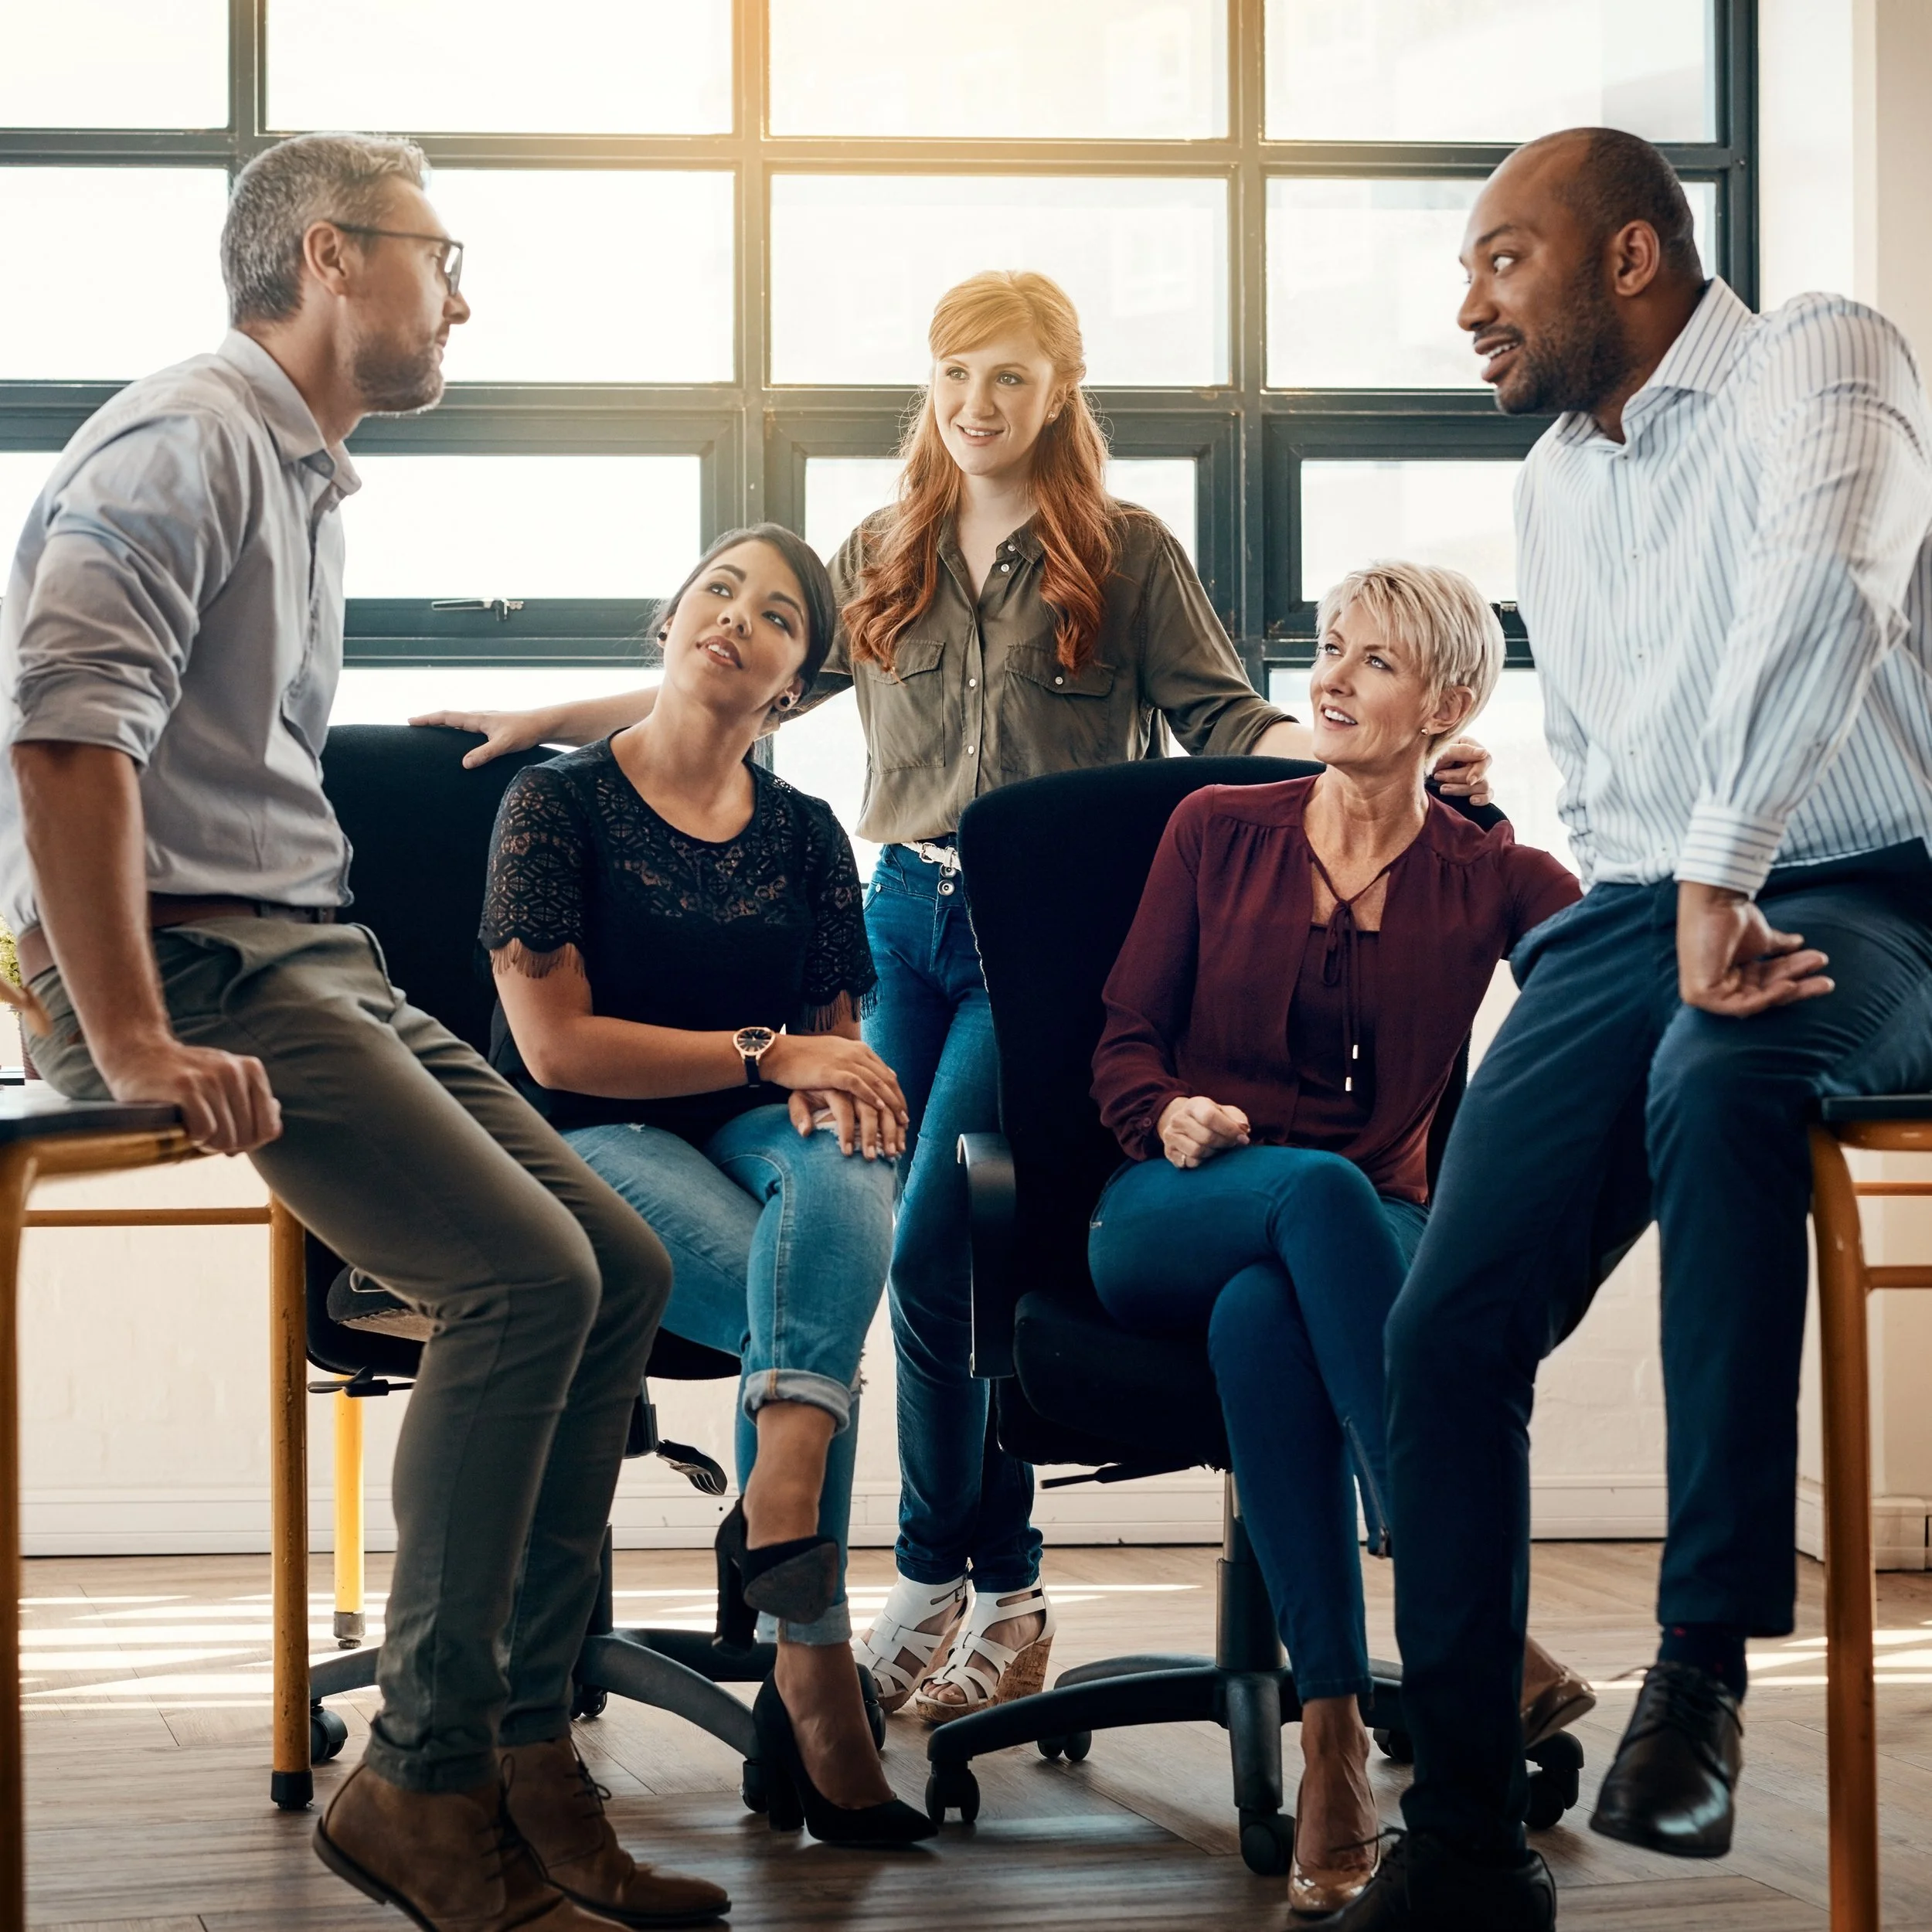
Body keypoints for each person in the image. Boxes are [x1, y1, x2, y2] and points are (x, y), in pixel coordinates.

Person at [416, 270, 1498, 1726]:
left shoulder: (1122, 555)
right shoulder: (886, 546)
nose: (976, 407)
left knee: (935, 1254)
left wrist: (1376, 753)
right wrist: (549, 721)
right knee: (886, 1228)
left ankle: (952, 1576)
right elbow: (738, 690)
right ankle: (993, 1591)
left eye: (1008, 380)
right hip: (898, 926)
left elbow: (1225, 722)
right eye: (952, 379)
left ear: (1059, 393)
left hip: (1033, 953)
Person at [0, 134, 728, 1932]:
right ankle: (422, 1773)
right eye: (442, 255)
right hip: (200, 976)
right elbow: (61, 732)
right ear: (332, 255)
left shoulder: (296, 471)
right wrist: (134, 1035)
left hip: (313, 954)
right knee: (523, 1284)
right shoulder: (187, 439)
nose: (461, 297)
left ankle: (530, 1756)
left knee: (619, 1263)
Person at [1330, 130, 1932, 1932]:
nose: (1465, 305)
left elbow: (1824, 588)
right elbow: (1598, 763)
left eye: (1500, 261)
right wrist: (1658, 889)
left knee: (1725, 1065)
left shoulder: (1816, 353)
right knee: (1441, 1321)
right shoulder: (1550, 487)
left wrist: (1726, 868)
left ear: (1628, 257)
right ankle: (1457, 1841)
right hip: (1645, 895)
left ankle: (1698, 1662)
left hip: (1866, 880)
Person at [1088, 562, 1585, 1918]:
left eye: (1374, 662)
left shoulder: (1495, 874)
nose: (1332, 680)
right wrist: (1168, 1109)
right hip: (1168, 1209)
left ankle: (1329, 1747)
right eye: (1330, 652)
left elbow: (1604, 978)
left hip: (1352, 1236)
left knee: (1270, 1313)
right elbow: (1123, 1039)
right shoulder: (1216, 827)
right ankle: (1459, 1607)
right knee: (1307, 1198)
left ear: (1453, 701)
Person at [479, 522, 931, 1846]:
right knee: (820, 1307)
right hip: (578, 1135)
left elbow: (831, 1054)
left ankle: (777, 1502)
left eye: (780, 615)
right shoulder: (553, 806)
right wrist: (764, 1051)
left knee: (853, 1149)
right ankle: (813, 1671)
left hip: (749, 1135)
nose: (739, 617)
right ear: (669, 626)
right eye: (719, 591)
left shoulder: (803, 834)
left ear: (794, 683)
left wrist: (815, 1077)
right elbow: (557, 1046)